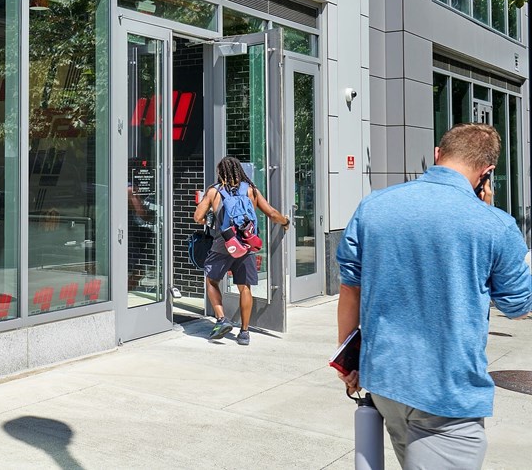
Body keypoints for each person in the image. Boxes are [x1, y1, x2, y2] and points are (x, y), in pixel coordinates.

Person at [336, 123, 532, 469]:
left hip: (384, 381)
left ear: (438, 155)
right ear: (487, 173)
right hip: (446, 392)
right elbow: (518, 304)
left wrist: (348, 359)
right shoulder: (495, 225)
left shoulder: (374, 206)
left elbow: (350, 287)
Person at [194, 156, 289, 345]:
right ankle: (244, 333)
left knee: (212, 281)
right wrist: (285, 222)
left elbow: (197, 217)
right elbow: (271, 213)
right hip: (246, 245)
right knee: (244, 287)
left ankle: (221, 319)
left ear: (221, 172)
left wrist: (210, 221)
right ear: (240, 171)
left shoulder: (214, 191)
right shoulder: (251, 190)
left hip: (223, 244)